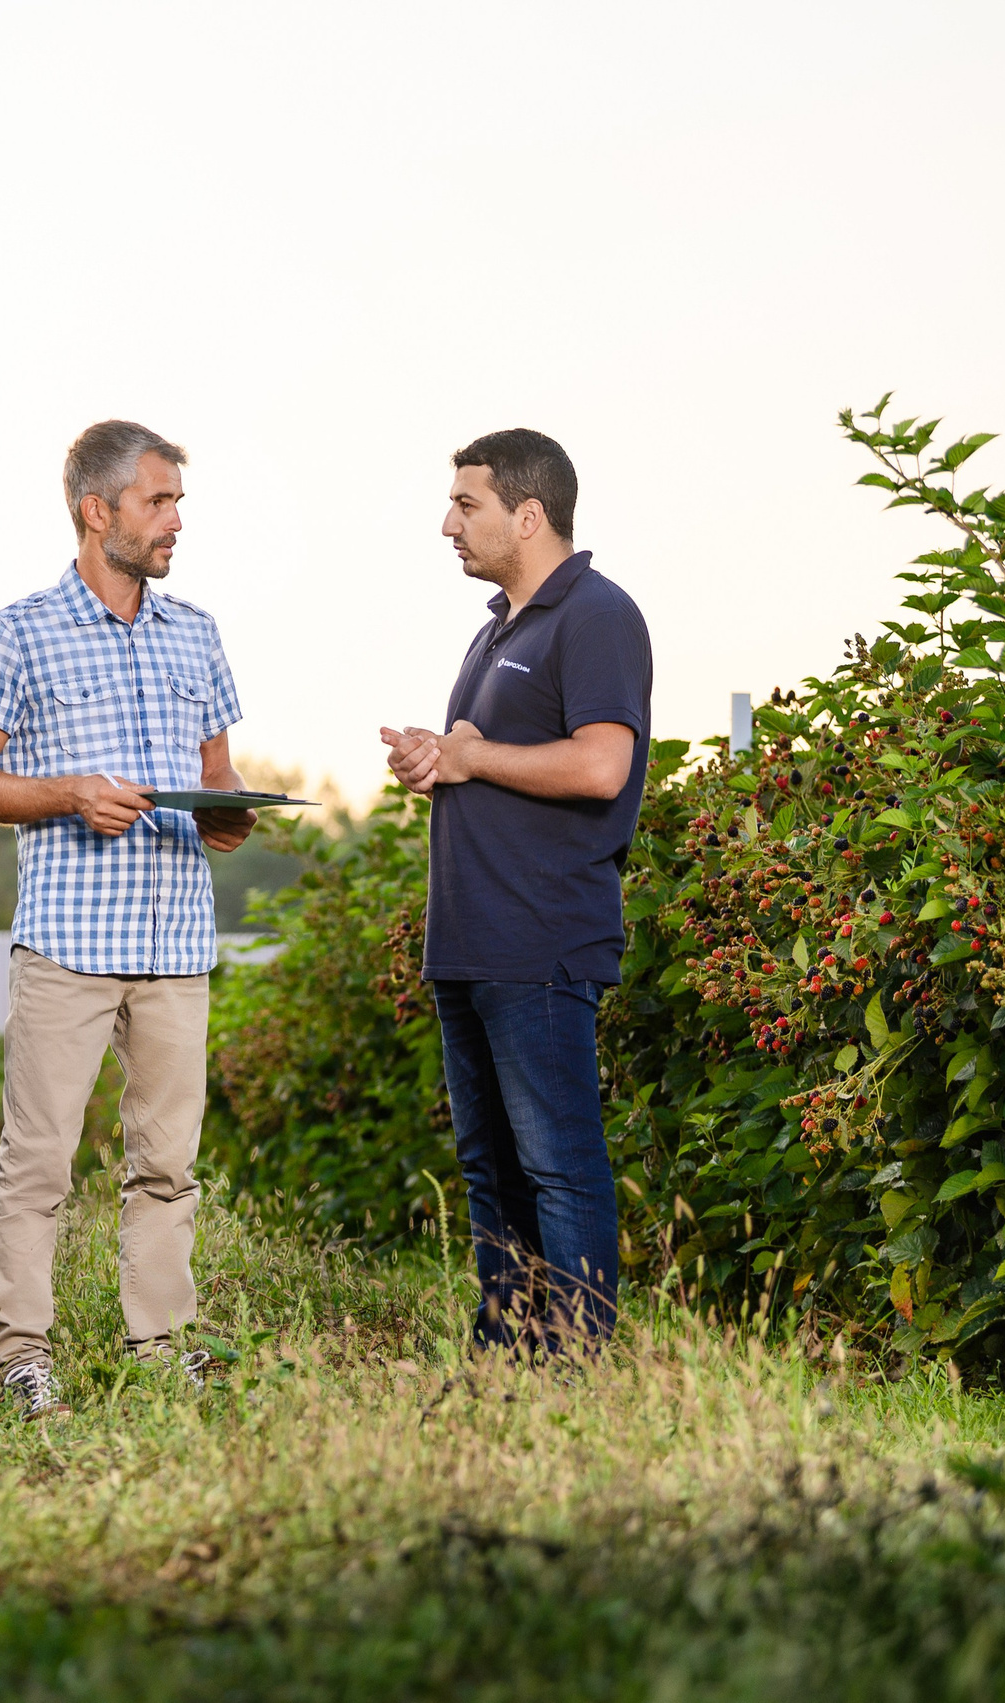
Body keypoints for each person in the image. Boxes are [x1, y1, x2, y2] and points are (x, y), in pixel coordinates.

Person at [0, 419, 256, 1423]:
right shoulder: (15, 632)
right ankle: (18, 1356)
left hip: (175, 945)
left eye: (176, 502)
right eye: (158, 501)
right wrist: (70, 793)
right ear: (98, 510)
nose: (175, 521)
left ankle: (160, 1346)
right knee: (37, 1161)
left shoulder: (196, 633)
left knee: (167, 1165)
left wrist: (232, 810)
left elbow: (216, 777)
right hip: (69, 944)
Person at [380, 428, 651, 1351]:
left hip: (541, 942)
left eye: (467, 505)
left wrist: (472, 753)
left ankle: (578, 1372)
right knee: (491, 1170)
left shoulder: (597, 615)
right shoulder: (495, 628)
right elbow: (486, 763)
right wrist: (440, 757)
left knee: (561, 1169)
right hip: (469, 945)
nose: (447, 523)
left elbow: (603, 765)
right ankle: (506, 1361)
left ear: (527, 514)